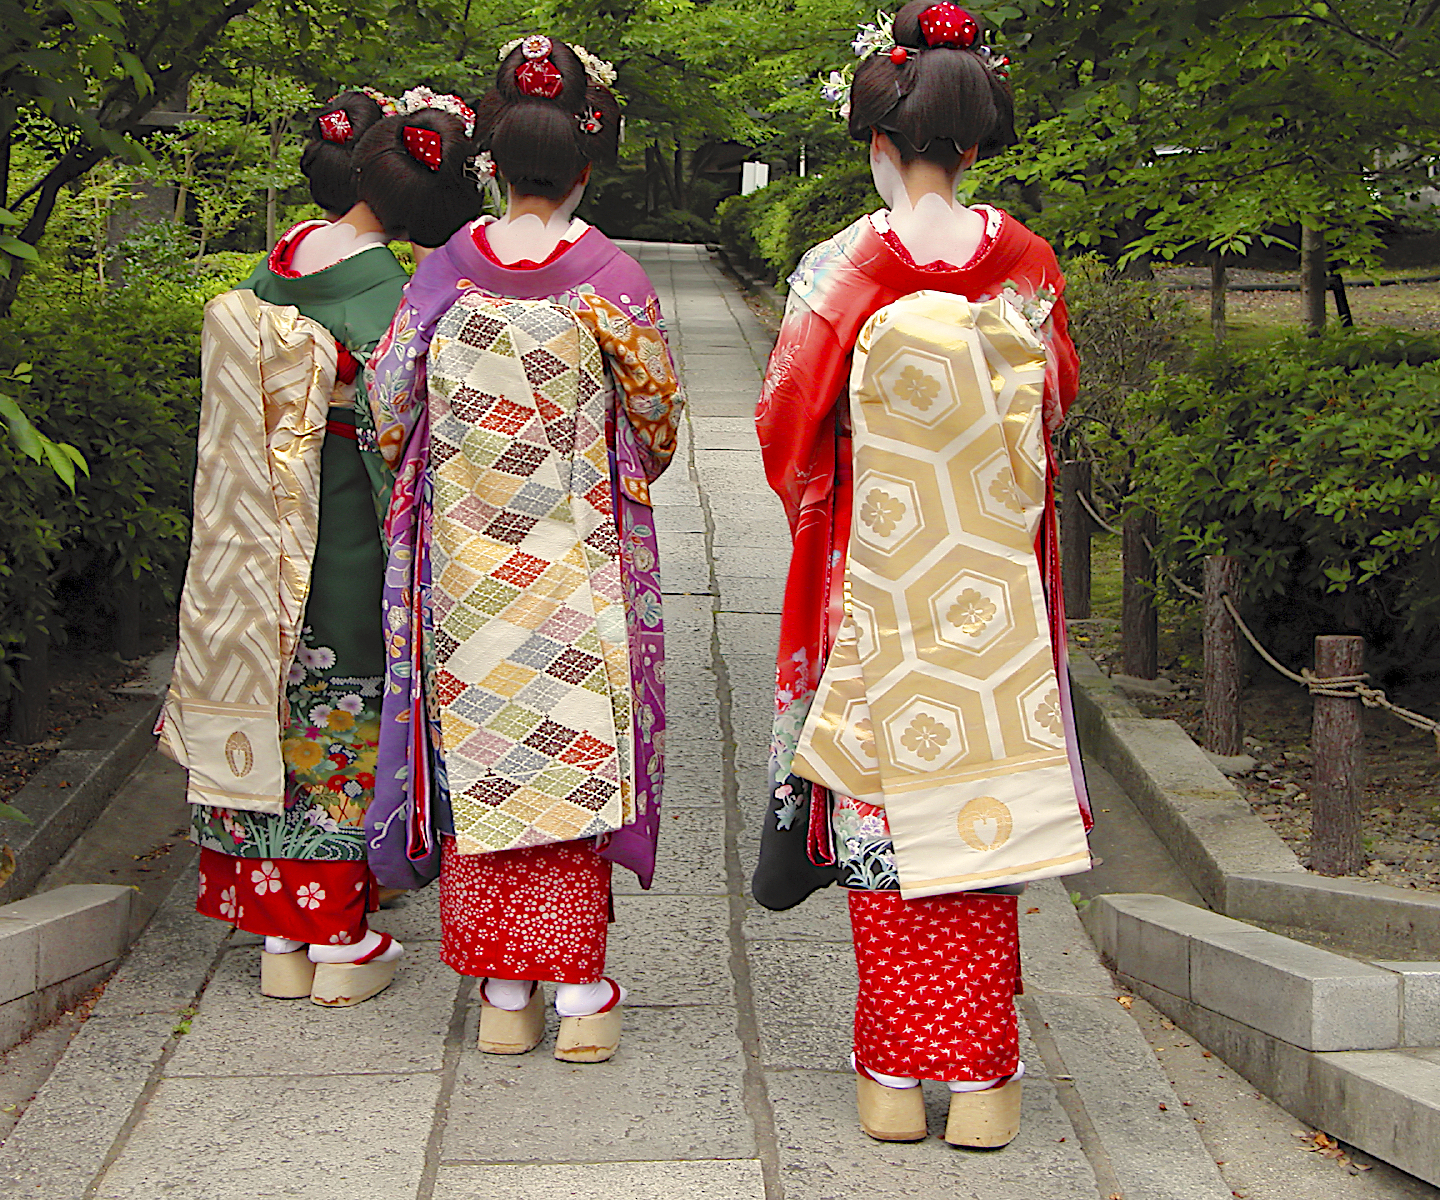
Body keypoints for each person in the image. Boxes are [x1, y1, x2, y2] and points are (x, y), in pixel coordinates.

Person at [751, 1, 1090, 1148]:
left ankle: (892, 1076)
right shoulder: (1025, 262)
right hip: (990, 583)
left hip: (874, 575)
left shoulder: (841, 268)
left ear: (878, 144)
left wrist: (847, 483)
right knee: (985, 791)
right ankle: (986, 1083)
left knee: (885, 800)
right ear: (977, 143)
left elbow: (786, 429)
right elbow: (1055, 399)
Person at [360, 34, 683, 1063]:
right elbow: (660, 422)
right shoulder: (611, 279)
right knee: (572, 755)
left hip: (465, 574)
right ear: (587, 163)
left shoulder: (442, 277)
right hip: (578, 565)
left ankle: (504, 992)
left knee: (486, 757)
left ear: (488, 162)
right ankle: (581, 992)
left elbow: (387, 406)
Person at [162, 89, 480, 1008]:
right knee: (342, 719)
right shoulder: (395, 294)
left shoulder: (281, 263)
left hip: (253, 536)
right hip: (344, 534)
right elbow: (414, 433)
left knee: (274, 710)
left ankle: (277, 936)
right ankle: (338, 937)